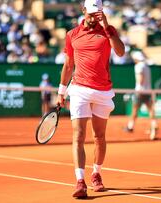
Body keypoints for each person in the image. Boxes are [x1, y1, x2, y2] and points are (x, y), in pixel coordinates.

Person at [56, 0, 124, 199]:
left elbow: (120, 52)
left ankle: (96, 173)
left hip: (103, 91)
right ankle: (80, 181)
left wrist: (107, 28)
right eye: (92, 12)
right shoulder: (72, 35)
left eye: (99, 13)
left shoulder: (108, 30)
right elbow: (69, 65)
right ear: (83, 10)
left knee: (99, 137)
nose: (95, 16)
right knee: (78, 135)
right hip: (79, 90)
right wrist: (61, 91)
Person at [125, 51, 157, 140]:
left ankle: (130, 127)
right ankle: (154, 126)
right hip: (148, 91)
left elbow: (140, 80)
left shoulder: (138, 66)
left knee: (135, 109)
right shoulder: (147, 66)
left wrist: (137, 90)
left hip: (140, 92)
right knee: (151, 110)